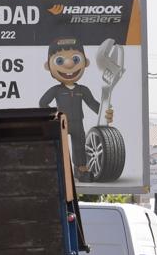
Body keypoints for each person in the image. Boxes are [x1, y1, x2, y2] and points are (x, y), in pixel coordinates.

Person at [39, 36, 114, 176]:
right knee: (59, 146)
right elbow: (43, 102)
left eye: (76, 59)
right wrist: (53, 115)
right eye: (59, 61)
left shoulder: (83, 90)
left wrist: (105, 113)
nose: (68, 64)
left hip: (78, 122)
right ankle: (59, 169)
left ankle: (80, 168)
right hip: (61, 122)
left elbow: (92, 103)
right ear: (48, 65)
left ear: (85, 62)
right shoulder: (56, 90)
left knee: (79, 145)